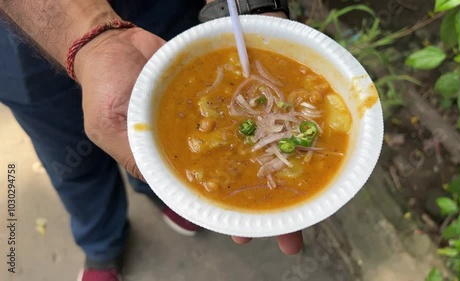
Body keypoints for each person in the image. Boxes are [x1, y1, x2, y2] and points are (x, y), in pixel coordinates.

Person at [0, 0, 303, 280]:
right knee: (72, 164)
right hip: (21, 47)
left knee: (153, 132)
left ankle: (159, 194)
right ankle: (101, 246)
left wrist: (251, 6)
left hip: (161, 8)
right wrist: (96, 40)